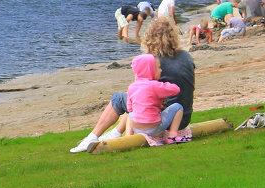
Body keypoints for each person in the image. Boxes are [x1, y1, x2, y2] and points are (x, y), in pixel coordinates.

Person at [69, 19, 195, 152]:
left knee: (119, 98)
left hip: (163, 120)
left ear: (150, 37)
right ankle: (116, 132)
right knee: (136, 98)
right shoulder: (186, 56)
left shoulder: (154, 62)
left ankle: (92, 137)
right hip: (184, 117)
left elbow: (142, 93)